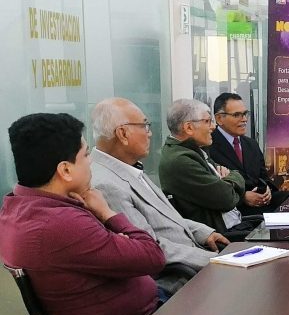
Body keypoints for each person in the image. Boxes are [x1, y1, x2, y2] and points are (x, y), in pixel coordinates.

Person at [0, 113, 166, 315]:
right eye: (86, 155)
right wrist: (107, 213)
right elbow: (153, 256)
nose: (91, 163)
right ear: (65, 170)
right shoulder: (61, 224)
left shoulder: (16, 206)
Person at [89, 98, 229, 292]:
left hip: (193, 259)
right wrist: (216, 260)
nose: (150, 133)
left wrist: (203, 232)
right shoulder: (106, 184)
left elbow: (164, 218)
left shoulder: (127, 167)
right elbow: (150, 246)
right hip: (177, 279)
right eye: (145, 126)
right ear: (123, 133)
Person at [158, 99, 259, 239]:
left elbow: (232, 175)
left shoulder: (194, 150)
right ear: (189, 127)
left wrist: (230, 178)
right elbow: (227, 198)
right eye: (207, 121)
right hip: (223, 236)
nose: (213, 126)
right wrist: (232, 178)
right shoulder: (180, 160)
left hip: (237, 224)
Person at [207, 92, 289, 216]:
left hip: (262, 202)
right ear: (219, 119)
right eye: (237, 115)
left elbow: (264, 177)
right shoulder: (208, 145)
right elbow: (211, 191)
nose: (244, 119)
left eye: (245, 114)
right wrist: (243, 197)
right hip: (234, 210)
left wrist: (267, 190)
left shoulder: (251, 144)